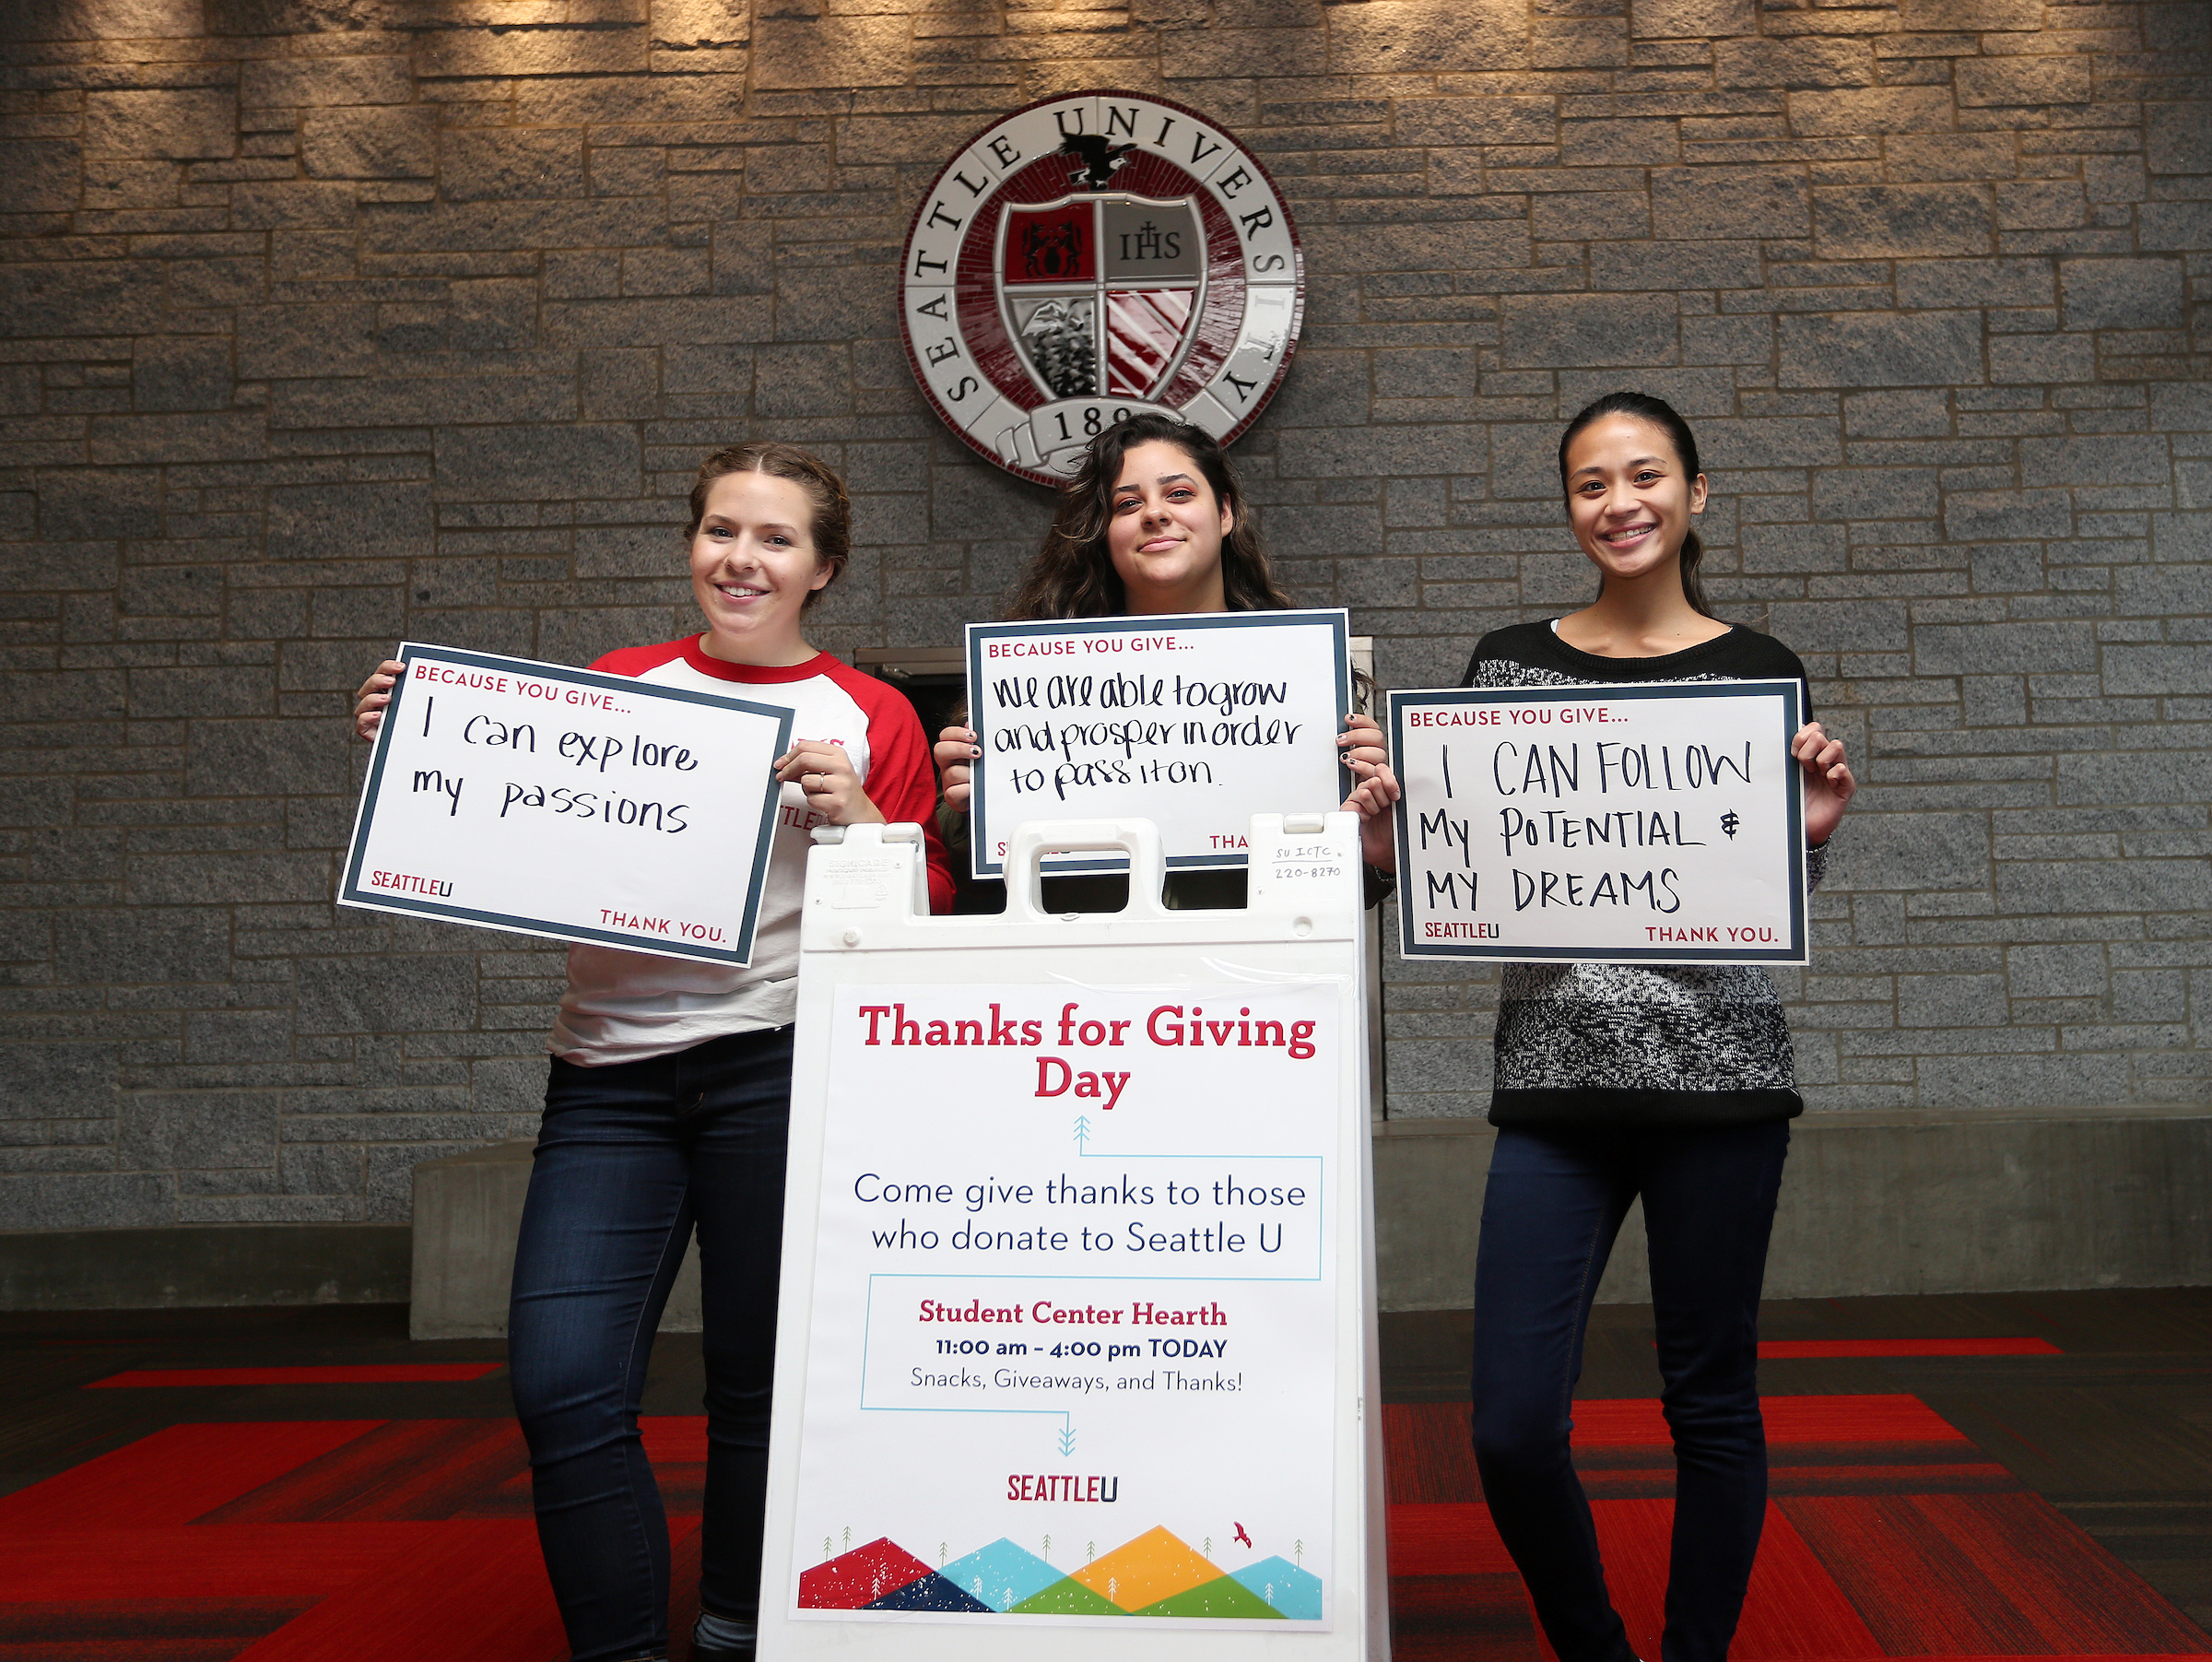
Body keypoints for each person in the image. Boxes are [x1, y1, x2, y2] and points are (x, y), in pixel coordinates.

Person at [352, 442, 955, 1662]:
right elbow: (520, 837)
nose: (743, 557)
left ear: (823, 568)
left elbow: (923, 913)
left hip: (783, 1070)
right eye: (722, 529)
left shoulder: (869, 713)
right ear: (694, 543)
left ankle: (734, 1627)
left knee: (756, 1391)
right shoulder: (618, 685)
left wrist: (867, 822)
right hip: (606, 1079)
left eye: (776, 538)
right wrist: (418, 754)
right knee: (563, 1384)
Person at [1371, 391, 1856, 1662]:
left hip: (1722, 1088)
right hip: (1554, 1095)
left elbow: (1759, 888)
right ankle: (1593, 1645)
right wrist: (1396, 834)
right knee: (1510, 1424)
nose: (1620, 501)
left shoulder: (1760, 669)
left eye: (1646, 476)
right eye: (1591, 482)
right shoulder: (1506, 666)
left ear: (1698, 496)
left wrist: (1806, 842)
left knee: (1711, 1404)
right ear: (1570, 509)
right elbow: (1468, 869)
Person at [933, 412, 1401, 902]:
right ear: (1104, 533)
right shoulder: (1034, 687)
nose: (1154, 513)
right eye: (1128, 503)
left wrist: (1377, 851)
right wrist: (972, 815)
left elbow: (1343, 896)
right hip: (1085, 967)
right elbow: (977, 892)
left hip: (1260, 971)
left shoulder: (1305, 680)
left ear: (1224, 514)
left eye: (1179, 494)